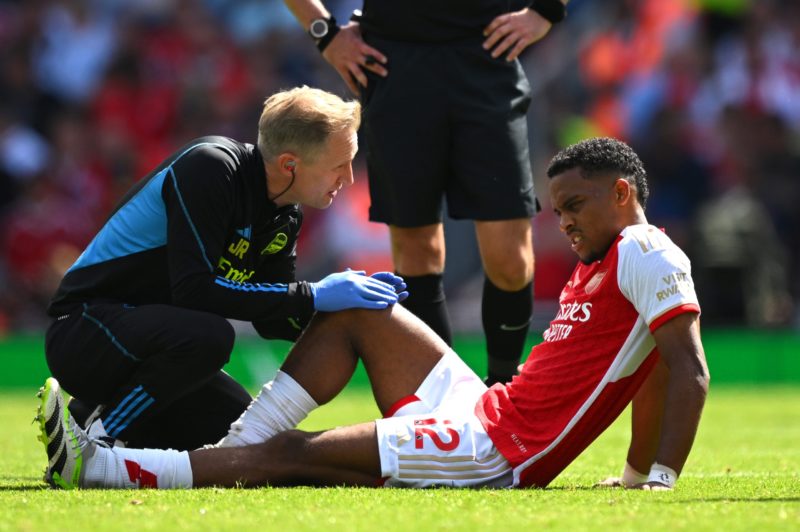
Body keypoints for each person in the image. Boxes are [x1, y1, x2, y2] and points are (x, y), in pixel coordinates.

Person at [38, 137, 709, 491]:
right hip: (485, 408)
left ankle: (99, 468)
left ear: (623, 193)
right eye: (557, 211)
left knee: (287, 456)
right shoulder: (606, 264)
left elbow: (685, 370)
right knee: (359, 305)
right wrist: (629, 474)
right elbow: (647, 370)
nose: (562, 224)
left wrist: (656, 481)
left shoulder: (646, 251)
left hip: (495, 451)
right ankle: (233, 450)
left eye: (576, 207)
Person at [42, 86, 408, 452]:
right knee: (211, 336)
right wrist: (315, 294)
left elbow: (274, 320)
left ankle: (85, 415)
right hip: (82, 332)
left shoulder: (286, 212)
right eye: (339, 164)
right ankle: (97, 440)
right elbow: (195, 291)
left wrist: (349, 315)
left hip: (148, 345)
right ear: (289, 165)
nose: (349, 178)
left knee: (243, 436)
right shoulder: (211, 168)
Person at [282, 0, 569, 384]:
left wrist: (545, 11)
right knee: (416, 249)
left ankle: (503, 390)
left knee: (510, 255)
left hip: (488, 57)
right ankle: (445, 400)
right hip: (393, 62)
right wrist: (325, 32)